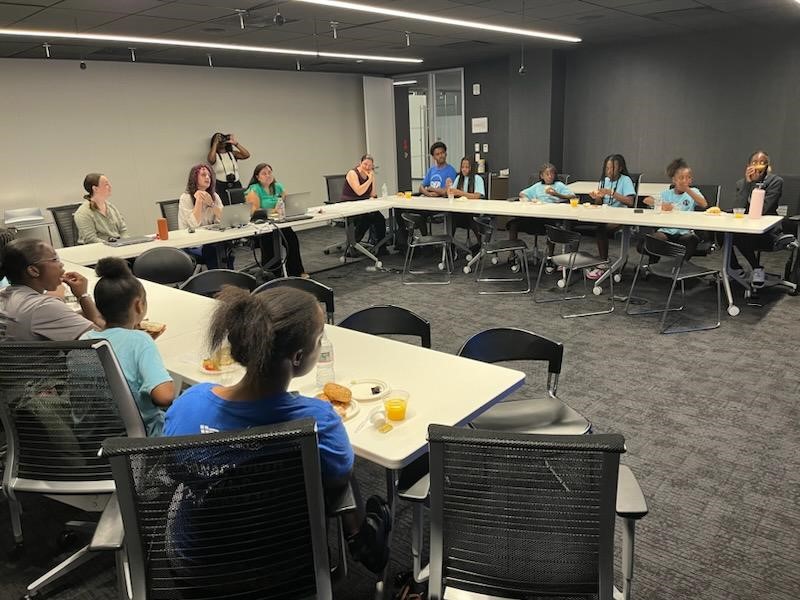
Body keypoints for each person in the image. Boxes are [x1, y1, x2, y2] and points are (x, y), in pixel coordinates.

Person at [163, 286, 391, 573]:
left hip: (200, 563)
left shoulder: (188, 404)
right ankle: (361, 539)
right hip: (284, 562)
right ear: (298, 357)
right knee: (338, 470)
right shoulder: (317, 421)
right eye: (320, 339)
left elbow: (174, 470)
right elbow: (338, 480)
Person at [82, 257, 174, 436]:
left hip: (96, 438)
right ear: (138, 305)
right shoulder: (140, 340)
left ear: (99, 308)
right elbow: (164, 396)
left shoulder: (84, 340)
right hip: (141, 439)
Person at [0, 239, 103, 341]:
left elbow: (62, 317)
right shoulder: (43, 307)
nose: (61, 264)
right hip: (49, 358)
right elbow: (104, 339)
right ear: (33, 271)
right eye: (54, 259)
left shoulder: (4, 295)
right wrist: (83, 296)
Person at [729, 150, 784, 287]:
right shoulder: (741, 183)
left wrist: (757, 183)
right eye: (755, 162)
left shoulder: (775, 182)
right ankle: (735, 268)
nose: (758, 165)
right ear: (748, 165)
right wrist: (748, 184)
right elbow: (738, 208)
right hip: (745, 227)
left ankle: (756, 268)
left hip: (767, 229)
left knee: (741, 236)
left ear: (767, 166)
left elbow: (763, 209)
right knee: (722, 233)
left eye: (762, 162)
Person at [244, 163, 307, 277]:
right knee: (269, 243)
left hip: (279, 222)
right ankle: (272, 274)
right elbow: (255, 212)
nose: (268, 175)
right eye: (264, 173)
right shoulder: (254, 189)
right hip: (263, 225)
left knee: (292, 240)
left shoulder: (278, 186)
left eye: (269, 172)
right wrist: (274, 210)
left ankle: (296, 271)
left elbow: (288, 203)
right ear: (258, 177)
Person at [508, 162, 576, 264]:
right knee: (513, 224)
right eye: (547, 174)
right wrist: (527, 199)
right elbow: (522, 193)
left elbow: (573, 197)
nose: (550, 176)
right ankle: (512, 254)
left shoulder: (559, 185)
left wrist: (556, 194)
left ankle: (550, 256)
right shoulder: (537, 186)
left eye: (552, 174)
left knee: (551, 228)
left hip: (550, 217)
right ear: (541, 176)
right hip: (535, 215)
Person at [641, 158, 707, 259]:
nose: (684, 181)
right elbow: (647, 200)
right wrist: (662, 204)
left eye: (687, 178)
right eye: (681, 178)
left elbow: (703, 204)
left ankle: (680, 266)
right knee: (655, 239)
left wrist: (688, 190)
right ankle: (653, 265)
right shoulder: (667, 193)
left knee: (691, 239)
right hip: (667, 230)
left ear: (690, 180)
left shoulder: (693, 192)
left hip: (685, 231)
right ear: (674, 180)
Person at [586, 153, 637, 280]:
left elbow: (630, 202)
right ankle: (577, 260)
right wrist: (597, 198)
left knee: (601, 229)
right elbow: (599, 203)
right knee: (591, 224)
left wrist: (612, 193)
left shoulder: (625, 180)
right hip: (605, 214)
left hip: (621, 215)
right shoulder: (604, 181)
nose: (609, 171)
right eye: (607, 168)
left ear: (620, 168)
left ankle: (603, 262)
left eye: (612, 168)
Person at [178, 164, 233, 269]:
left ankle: (230, 279)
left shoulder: (214, 196)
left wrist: (212, 204)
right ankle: (216, 280)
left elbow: (223, 219)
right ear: (194, 178)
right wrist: (198, 201)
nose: (208, 177)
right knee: (214, 249)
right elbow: (193, 224)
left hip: (211, 239)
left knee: (227, 247)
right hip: (193, 243)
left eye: (209, 175)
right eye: (203, 175)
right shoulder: (186, 198)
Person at [341, 154, 386, 250]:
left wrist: (372, 179)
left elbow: (373, 194)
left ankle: (381, 247)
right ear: (360, 163)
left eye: (370, 165)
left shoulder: (370, 175)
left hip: (363, 204)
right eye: (365, 164)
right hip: (350, 204)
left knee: (380, 218)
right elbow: (359, 191)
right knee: (366, 217)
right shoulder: (352, 173)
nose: (367, 167)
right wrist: (370, 180)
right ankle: (352, 245)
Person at [74, 173, 129, 244]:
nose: (110, 186)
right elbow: (91, 239)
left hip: (118, 246)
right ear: (95, 189)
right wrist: (113, 245)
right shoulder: (83, 213)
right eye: (106, 184)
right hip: (98, 250)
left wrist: (126, 243)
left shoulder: (111, 207)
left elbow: (123, 230)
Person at [448, 157, 486, 252]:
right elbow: (452, 192)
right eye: (462, 167)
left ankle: (480, 244)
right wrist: (449, 188)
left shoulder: (477, 179)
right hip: (460, 211)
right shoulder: (458, 178)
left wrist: (460, 193)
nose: (464, 169)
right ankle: (450, 244)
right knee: (450, 216)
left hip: (473, 212)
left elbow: (477, 196)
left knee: (471, 217)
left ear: (471, 168)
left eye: (467, 167)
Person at [207, 133, 250, 199]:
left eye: (223, 138)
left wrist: (235, 143)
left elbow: (246, 155)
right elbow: (210, 160)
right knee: (224, 206)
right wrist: (215, 143)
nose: (221, 141)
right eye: (219, 139)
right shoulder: (214, 155)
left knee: (238, 204)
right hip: (220, 186)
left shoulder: (233, 154)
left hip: (236, 184)